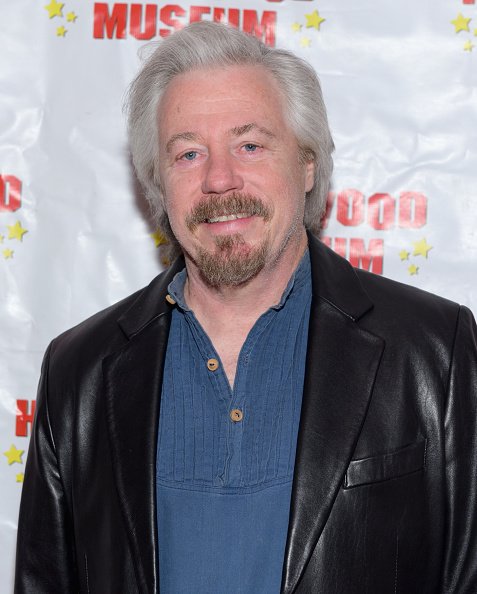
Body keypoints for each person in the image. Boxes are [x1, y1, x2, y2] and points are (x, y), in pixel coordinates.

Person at [15, 21, 477, 594]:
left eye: (250, 145)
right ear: (157, 184)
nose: (219, 179)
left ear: (307, 164)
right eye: (188, 153)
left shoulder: (435, 351)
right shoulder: (78, 372)